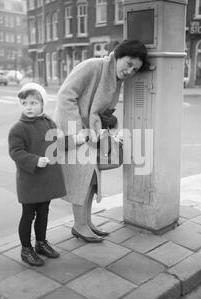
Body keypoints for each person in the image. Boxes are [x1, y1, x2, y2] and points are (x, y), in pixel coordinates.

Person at [54, 39, 150, 243]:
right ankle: (80, 226)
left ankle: (85, 223)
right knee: (82, 181)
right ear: (118, 55)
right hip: (77, 135)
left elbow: (99, 108)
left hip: (92, 135)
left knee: (91, 181)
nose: (130, 71)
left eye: (135, 69)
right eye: (129, 63)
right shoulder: (93, 66)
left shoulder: (116, 79)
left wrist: (109, 120)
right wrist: (78, 132)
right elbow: (65, 95)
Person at [8, 82, 66, 266]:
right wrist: (34, 160)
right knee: (28, 215)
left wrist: (77, 139)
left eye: (33, 103)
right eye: (24, 103)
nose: (28, 107)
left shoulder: (48, 122)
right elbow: (15, 152)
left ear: (43, 103)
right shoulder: (18, 128)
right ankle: (26, 249)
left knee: (44, 213)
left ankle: (41, 243)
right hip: (30, 180)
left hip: (46, 179)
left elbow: (57, 143)